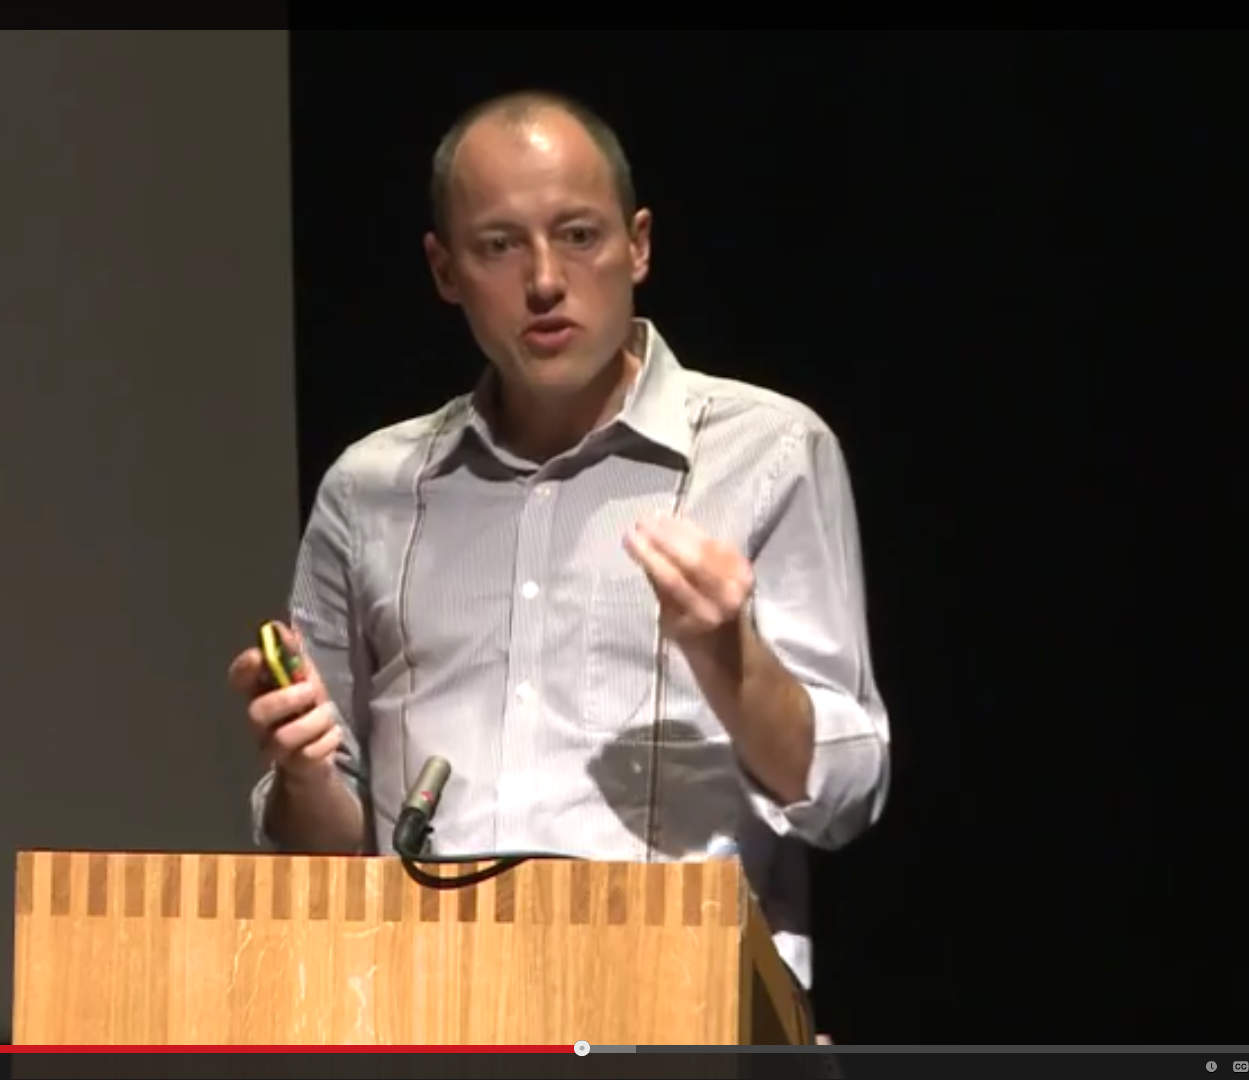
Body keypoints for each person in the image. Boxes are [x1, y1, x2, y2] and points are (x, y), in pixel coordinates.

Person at [227, 89, 891, 1008]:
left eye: (578, 235)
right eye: (499, 245)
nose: (545, 279)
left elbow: (847, 790)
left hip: (680, 1014)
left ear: (640, 244)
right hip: (419, 1013)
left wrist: (727, 653)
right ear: (444, 269)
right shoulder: (369, 489)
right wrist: (300, 772)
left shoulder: (770, 452)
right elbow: (324, 848)